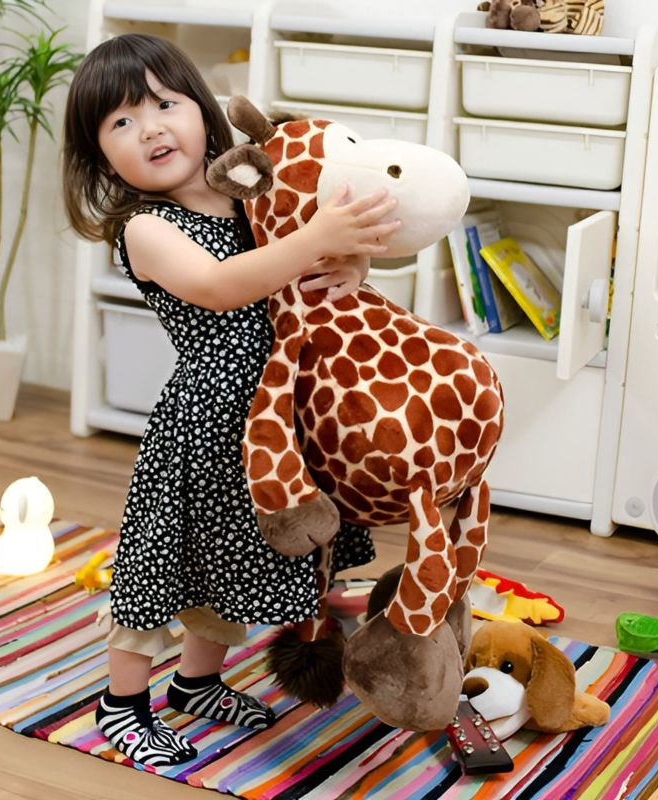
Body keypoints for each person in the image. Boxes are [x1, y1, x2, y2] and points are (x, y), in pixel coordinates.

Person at [62, 33, 400, 767]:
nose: (150, 128)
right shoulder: (146, 228)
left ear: (202, 110)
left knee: (233, 567)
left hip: (277, 426)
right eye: (121, 121)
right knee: (161, 572)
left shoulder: (256, 199)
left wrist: (349, 261)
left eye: (165, 104)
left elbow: (311, 264)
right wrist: (313, 239)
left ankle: (195, 683)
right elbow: (223, 285)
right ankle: (122, 703)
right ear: (102, 159)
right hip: (207, 429)